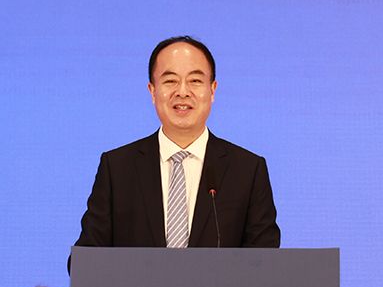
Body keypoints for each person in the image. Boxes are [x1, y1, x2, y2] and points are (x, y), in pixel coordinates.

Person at [71, 36, 280, 264]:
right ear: (152, 91)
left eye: (195, 81)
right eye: (170, 81)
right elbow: (85, 262)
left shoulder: (248, 170)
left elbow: (264, 262)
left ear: (212, 90)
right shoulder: (117, 168)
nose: (182, 92)